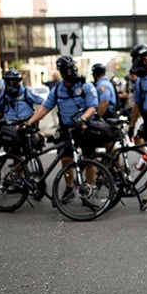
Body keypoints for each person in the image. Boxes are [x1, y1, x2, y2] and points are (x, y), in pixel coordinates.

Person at [24, 55, 98, 203]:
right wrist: (29, 122)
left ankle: (88, 190)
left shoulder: (86, 86)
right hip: (67, 130)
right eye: (68, 70)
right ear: (62, 73)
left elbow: (93, 107)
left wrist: (83, 118)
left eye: (73, 69)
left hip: (84, 127)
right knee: (65, 159)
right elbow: (44, 109)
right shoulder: (57, 90)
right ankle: (70, 188)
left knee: (90, 160)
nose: (71, 73)